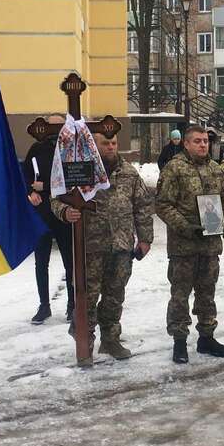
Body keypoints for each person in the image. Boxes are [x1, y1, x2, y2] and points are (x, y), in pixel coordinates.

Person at [54, 133, 153, 365]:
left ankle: (110, 339)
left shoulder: (128, 172)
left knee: (114, 295)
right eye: (105, 143)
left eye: (114, 143)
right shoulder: (80, 170)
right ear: (94, 145)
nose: (110, 147)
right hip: (90, 246)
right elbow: (56, 198)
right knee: (87, 296)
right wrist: (65, 212)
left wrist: (145, 238)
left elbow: (142, 206)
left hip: (121, 245)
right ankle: (84, 342)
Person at [156, 125, 224, 363]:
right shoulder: (174, 168)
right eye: (197, 141)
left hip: (210, 245)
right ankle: (179, 341)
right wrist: (185, 227)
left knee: (207, 293)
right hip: (184, 246)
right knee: (180, 294)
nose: (203, 145)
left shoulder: (215, 169)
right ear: (186, 144)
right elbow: (163, 204)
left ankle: (206, 337)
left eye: (205, 141)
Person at [23, 114, 74, 325]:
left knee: (69, 261)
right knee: (40, 262)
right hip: (41, 213)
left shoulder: (70, 149)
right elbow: (25, 174)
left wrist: (47, 188)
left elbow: (75, 179)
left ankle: (73, 305)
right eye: (49, 125)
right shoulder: (36, 149)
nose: (52, 129)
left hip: (63, 212)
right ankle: (44, 305)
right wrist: (29, 192)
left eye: (57, 125)